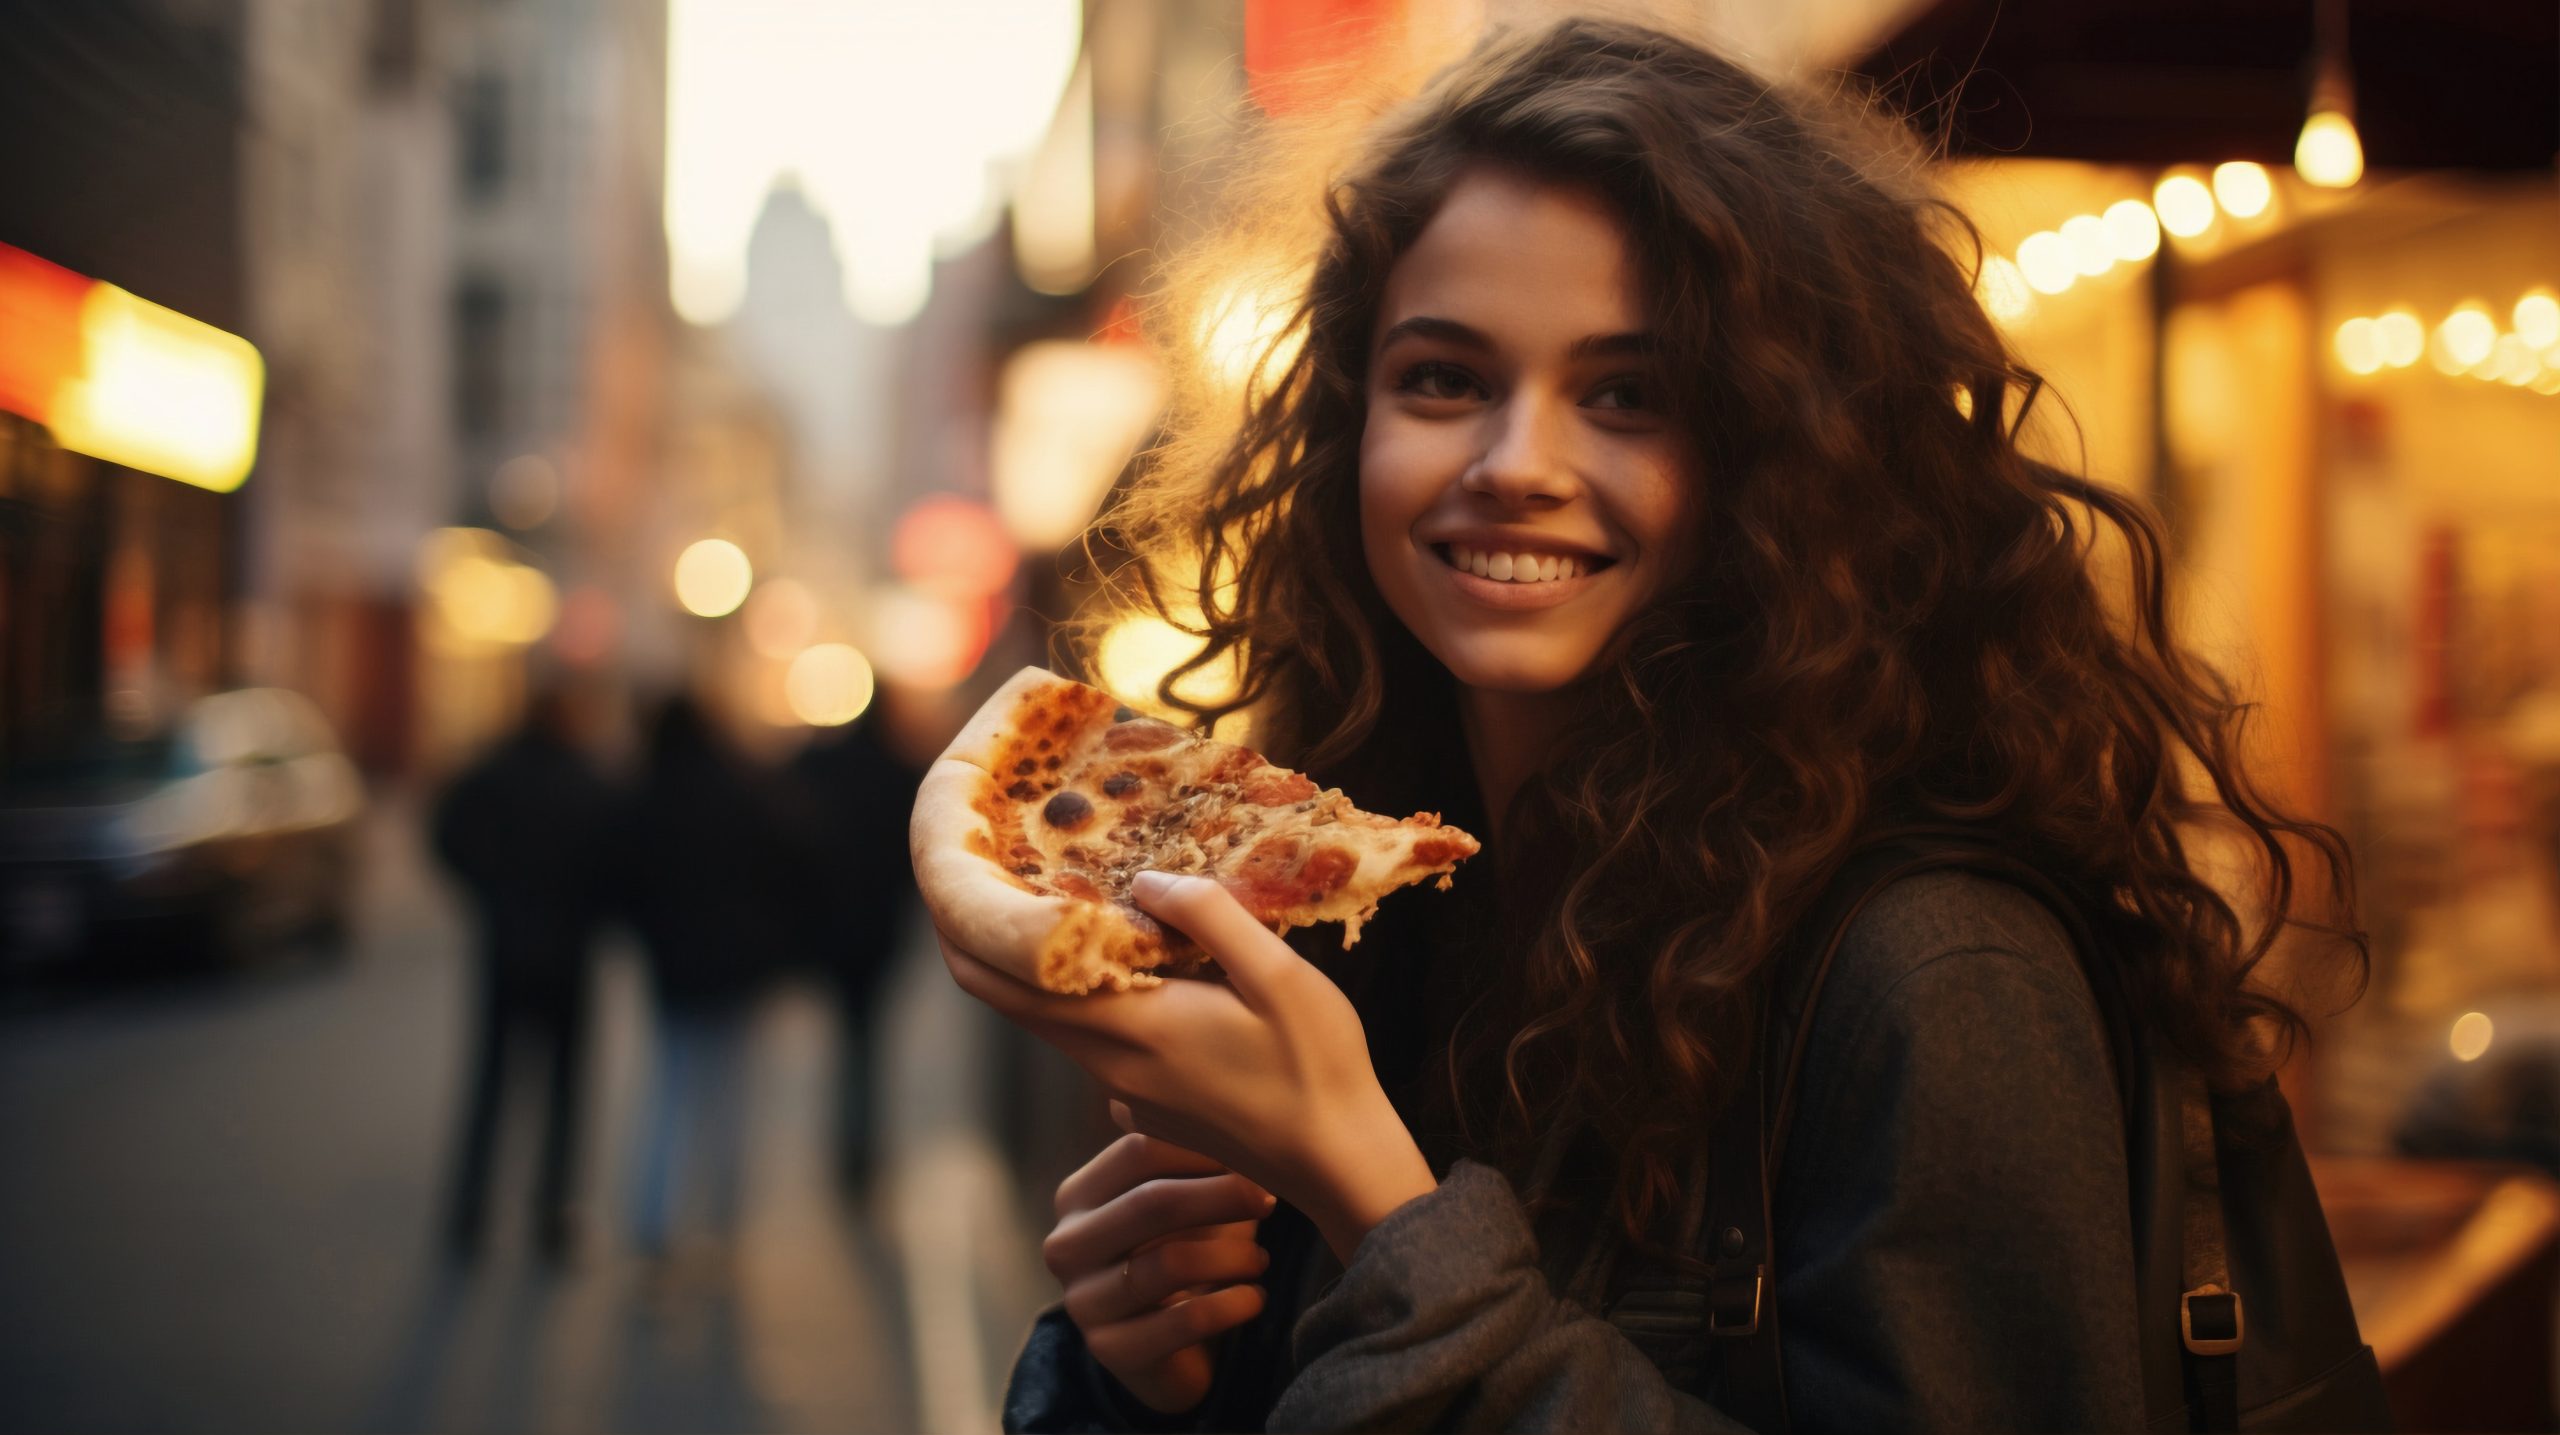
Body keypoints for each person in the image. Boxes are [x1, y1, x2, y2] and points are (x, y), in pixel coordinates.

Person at [942, 17, 2374, 1434]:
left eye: (1632, 395)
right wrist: (1156, 1380)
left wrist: (1376, 1200)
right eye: (1444, 378)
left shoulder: (1936, 966)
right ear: (1345, 428)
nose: (1518, 465)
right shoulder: (1399, 890)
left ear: (1782, 457)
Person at [431, 681, 616, 1261]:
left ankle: (470, 1212)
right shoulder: (588, 781)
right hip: (569, 954)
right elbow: (617, 861)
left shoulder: (493, 773)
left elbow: (445, 835)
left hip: (506, 949)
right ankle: (553, 1214)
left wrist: (487, 891)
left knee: (491, 1085)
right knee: (564, 1090)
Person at [619, 693, 794, 1259]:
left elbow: (620, 880)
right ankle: (725, 1221)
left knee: (672, 1090)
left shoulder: (646, 795)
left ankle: (657, 1220)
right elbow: (794, 860)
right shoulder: (744, 788)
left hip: (673, 968)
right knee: (733, 1095)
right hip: (740, 967)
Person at [781, 712, 923, 1194]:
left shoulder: (821, 767)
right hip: (880, 929)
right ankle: (863, 1148)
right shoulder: (899, 770)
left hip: (832, 930)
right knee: (870, 1040)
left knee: (847, 1035)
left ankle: (845, 1144)